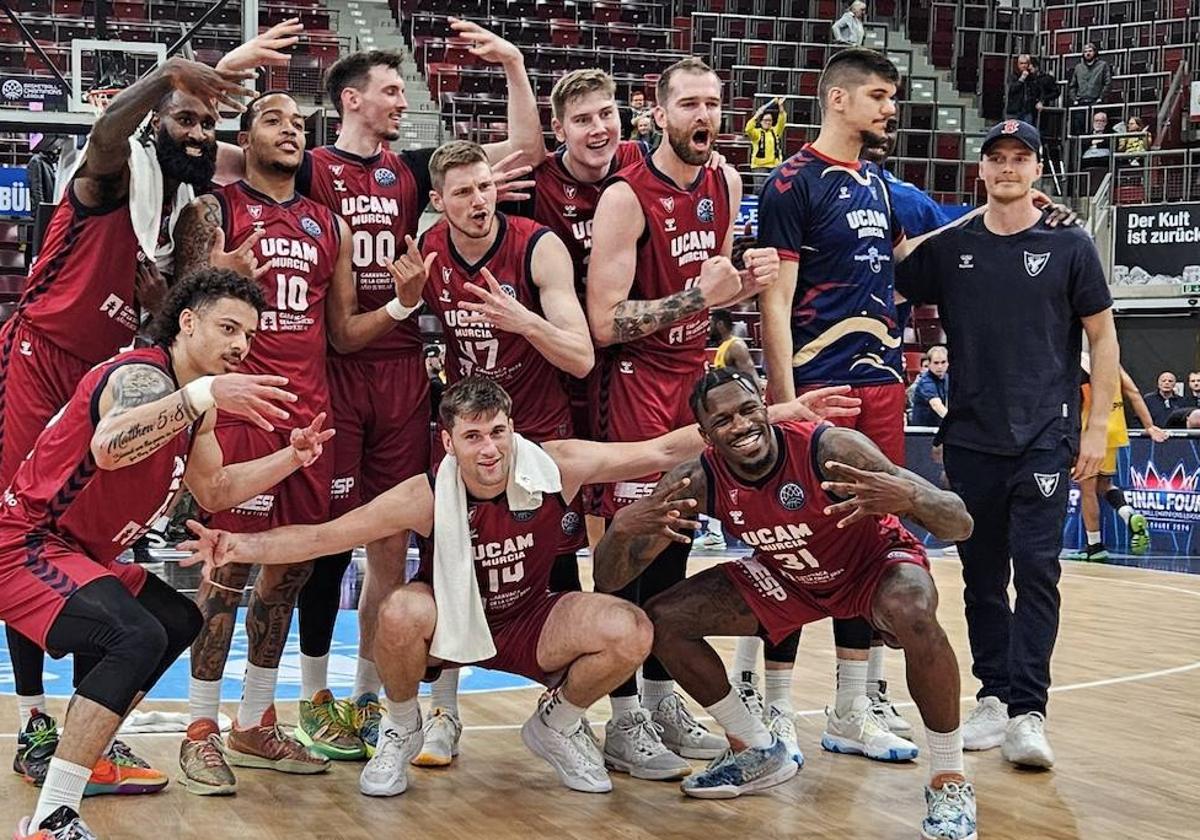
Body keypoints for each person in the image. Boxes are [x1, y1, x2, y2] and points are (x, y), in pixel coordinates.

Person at [175, 375, 858, 799]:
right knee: (398, 607)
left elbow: (657, 451)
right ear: (449, 442)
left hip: (532, 622)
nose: (489, 449)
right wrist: (240, 543)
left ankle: (557, 726)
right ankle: (403, 730)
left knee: (633, 628)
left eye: (498, 431)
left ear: (512, 429)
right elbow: (325, 537)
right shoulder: (423, 494)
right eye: (472, 436)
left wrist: (786, 408)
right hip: (451, 631)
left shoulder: (552, 465)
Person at [281, 23, 547, 762]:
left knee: (391, 548)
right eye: (392, 90)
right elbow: (241, 163)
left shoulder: (410, 170)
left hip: (401, 372)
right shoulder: (310, 166)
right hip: (339, 364)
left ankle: (369, 697)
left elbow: (520, 151)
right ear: (352, 99)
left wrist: (516, 68)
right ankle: (312, 700)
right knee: (330, 547)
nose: (404, 99)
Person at [0, 54, 260, 786]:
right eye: (186, 118)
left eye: (210, 124)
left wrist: (168, 301)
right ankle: (33, 724)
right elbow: (108, 133)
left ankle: (92, 734)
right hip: (42, 360)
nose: (201, 133)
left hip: (117, 376)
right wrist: (169, 75)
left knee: (95, 547)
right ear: (156, 125)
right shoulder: (111, 182)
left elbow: (172, 324)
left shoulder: (183, 218)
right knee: (32, 534)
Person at [6, 269, 332, 840]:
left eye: (249, 335)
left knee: (176, 617)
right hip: (24, 545)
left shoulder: (192, 404)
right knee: (136, 635)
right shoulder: (141, 375)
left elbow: (215, 491)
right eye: (228, 327)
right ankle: (54, 813)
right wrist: (202, 393)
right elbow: (108, 449)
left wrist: (292, 459)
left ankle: (89, 752)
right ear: (186, 322)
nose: (240, 345)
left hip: (82, 554)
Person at [593, 369, 977, 840]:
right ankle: (756, 747)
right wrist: (623, 528)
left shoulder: (831, 449)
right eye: (723, 420)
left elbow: (961, 525)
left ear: (765, 407)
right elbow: (610, 576)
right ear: (705, 435)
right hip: (789, 575)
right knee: (663, 620)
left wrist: (911, 494)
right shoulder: (696, 479)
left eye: (748, 410)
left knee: (914, 611)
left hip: (870, 567)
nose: (741, 425)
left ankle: (949, 778)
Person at [170, 91, 425, 792]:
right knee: (225, 571)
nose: (289, 130)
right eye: (272, 119)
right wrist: (225, 280)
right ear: (244, 137)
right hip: (242, 408)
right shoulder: (215, 209)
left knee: (290, 574)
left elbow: (342, 332)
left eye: (296, 123)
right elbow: (181, 313)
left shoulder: (328, 223)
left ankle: (254, 722)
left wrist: (403, 303)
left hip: (309, 419)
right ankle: (199, 728)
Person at [894, 118, 1120, 769]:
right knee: (982, 579)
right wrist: (960, 219)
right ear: (983, 170)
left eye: (1020, 158)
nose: (1008, 167)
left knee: (1039, 571)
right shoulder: (957, 244)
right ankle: (992, 697)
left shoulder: (1071, 244)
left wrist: (1096, 428)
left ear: (1038, 170)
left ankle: (1028, 711)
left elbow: (1103, 338)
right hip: (970, 441)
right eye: (997, 158)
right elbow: (902, 266)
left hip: (1045, 440)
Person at [587, 55, 778, 776]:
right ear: (658, 114)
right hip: (634, 382)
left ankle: (664, 697)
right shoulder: (626, 196)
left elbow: (714, 287)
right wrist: (702, 297)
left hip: (695, 379)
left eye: (714, 103)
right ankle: (623, 713)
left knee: (677, 547)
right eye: (690, 104)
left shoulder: (727, 180)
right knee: (629, 550)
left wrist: (736, 290)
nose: (705, 116)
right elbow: (606, 321)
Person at [757, 48, 929, 757]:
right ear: (838, 100)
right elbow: (775, 302)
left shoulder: (885, 187)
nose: (891, 109)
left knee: (872, 536)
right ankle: (766, 705)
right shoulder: (793, 182)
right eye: (881, 96)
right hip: (816, 380)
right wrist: (787, 401)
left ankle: (853, 707)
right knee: (793, 535)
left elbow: (954, 227)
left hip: (881, 381)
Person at [405, 139, 596, 765]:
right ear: (439, 203)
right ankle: (443, 714)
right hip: (470, 438)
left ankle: (564, 717)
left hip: (535, 431)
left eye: (485, 187)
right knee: (453, 567)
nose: (478, 200)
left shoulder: (538, 245)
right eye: (462, 191)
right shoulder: (429, 255)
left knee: (559, 569)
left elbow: (581, 355)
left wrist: (524, 322)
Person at [1070, 358, 1167, 561]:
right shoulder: (1111, 362)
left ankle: (1094, 546)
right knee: (1103, 484)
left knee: (1087, 490)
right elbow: (1133, 392)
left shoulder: (1078, 366)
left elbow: (1076, 403)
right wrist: (1149, 425)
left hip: (1091, 432)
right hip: (1114, 430)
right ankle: (1128, 514)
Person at [1067, 43, 1113, 133]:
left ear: (1095, 52)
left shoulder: (1103, 65)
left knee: (1096, 127)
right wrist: (1074, 99)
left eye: (1090, 51)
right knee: (1079, 127)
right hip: (1081, 102)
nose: (1088, 53)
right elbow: (1072, 86)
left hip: (1097, 102)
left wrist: (1101, 97)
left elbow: (1108, 83)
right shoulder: (1078, 67)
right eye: (1085, 51)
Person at [1004, 55, 1058, 125]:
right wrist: (1021, 79)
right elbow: (1012, 89)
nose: (1023, 65)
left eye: (1025, 63)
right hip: (1014, 111)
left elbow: (1040, 91)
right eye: (1021, 63)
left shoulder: (1033, 78)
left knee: (1027, 132)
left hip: (1028, 111)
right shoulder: (1013, 76)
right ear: (1018, 65)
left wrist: (1041, 101)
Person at [910, 345, 949, 427]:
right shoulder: (925, 381)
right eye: (936, 363)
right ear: (929, 364)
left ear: (948, 363)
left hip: (938, 429)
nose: (940, 366)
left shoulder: (948, 378)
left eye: (943, 362)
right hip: (922, 433)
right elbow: (936, 405)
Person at [744, 97, 787, 170]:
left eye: (770, 120)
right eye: (765, 120)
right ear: (761, 122)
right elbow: (748, 129)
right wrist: (756, 115)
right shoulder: (756, 133)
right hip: (759, 166)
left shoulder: (775, 131)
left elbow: (782, 121)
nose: (768, 122)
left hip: (775, 166)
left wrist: (780, 107)